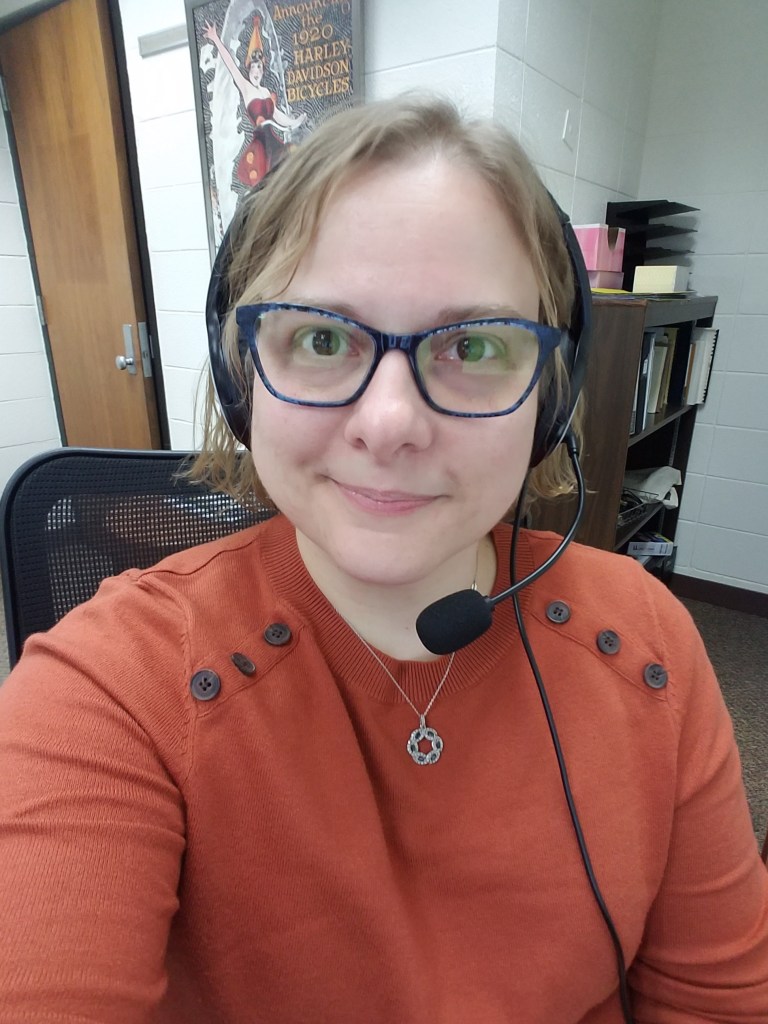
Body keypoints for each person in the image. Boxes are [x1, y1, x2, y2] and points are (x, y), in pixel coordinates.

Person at [0, 95, 767, 1024]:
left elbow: (719, 1002)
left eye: (473, 345)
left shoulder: (646, 642)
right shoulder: (107, 691)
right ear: (245, 378)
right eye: (322, 339)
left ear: (550, 399)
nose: (392, 424)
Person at [203, 16, 306, 187]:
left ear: (263, 70)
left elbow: (278, 116)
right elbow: (230, 65)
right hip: (260, 145)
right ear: (249, 69)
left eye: (259, 67)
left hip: (273, 142)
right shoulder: (245, 87)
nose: (256, 71)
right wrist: (215, 39)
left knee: (284, 176)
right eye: (253, 67)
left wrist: (296, 121)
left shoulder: (265, 91)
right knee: (265, 181)